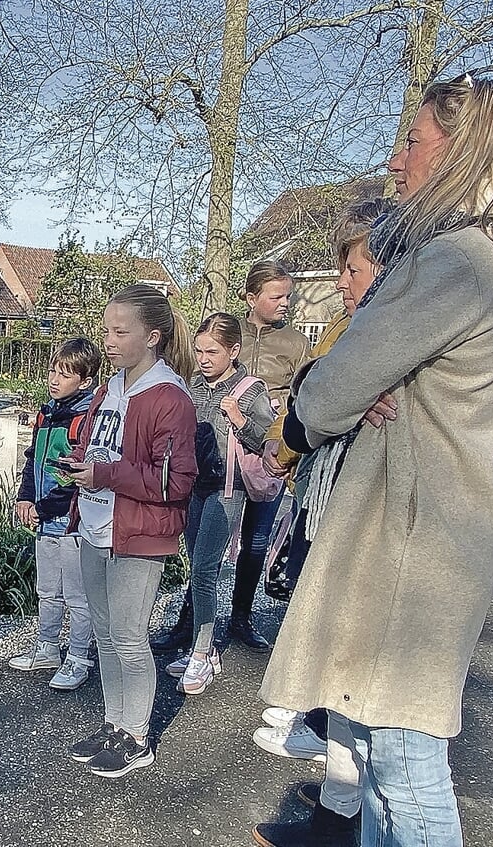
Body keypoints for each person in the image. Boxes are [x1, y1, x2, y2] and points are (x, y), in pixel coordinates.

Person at [262, 73, 493, 847]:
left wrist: (328, 401)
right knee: (369, 741)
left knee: (401, 757)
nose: (397, 162)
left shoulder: (454, 261)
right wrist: (364, 385)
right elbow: (364, 376)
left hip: (416, 538)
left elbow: (329, 388)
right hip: (428, 529)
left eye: (413, 141)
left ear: (460, 150)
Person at [252, 199, 392, 847]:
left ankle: (349, 815)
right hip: (325, 494)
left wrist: (316, 405)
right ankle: (339, 806)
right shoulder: (350, 325)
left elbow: (322, 397)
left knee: (348, 668)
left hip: (357, 511)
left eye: (352, 268)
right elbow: (317, 395)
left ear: (386, 269)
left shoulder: (388, 330)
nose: (341, 280)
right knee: (334, 664)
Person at [62, 283, 198, 778]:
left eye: (121, 331)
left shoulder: (169, 397)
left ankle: (137, 737)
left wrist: (105, 474)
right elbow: (106, 451)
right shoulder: (108, 388)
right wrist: (80, 465)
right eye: (106, 329)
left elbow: (177, 480)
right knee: (104, 633)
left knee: (128, 636)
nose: (109, 340)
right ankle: (114, 723)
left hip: (138, 534)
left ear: (154, 336)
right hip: (97, 526)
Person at [167, 313, 276, 695]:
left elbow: (269, 441)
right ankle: (205, 647)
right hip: (195, 487)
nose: (203, 358)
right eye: (199, 350)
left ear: (234, 350)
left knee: (204, 571)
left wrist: (239, 417)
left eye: (212, 351)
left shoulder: (250, 389)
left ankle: (201, 654)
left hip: (228, 490)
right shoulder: (195, 384)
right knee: (197, 568)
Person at [223, 260, 310, 652]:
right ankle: (191, 619)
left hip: (269, 452)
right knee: (211, 534)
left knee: (258, 538)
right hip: (225, 446)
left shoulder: (295, 343)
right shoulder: (228, 330)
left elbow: (306, 392)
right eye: (277, 296)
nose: (285, 303)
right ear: (251, 297)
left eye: (288, 295)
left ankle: (241, 616)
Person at [10, 338, 101, 691]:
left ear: (85, 380)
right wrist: (25, 498)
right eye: (52, 371)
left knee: (77, 596)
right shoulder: (47, 412)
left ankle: (79, 656)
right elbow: (34, 457)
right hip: (44, 518)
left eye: (64, 375)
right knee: (47, 589)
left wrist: (43, 506)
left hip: (71, 520)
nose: (54, 379)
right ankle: (47, 646)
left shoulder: (85, 418)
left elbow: (77, 476)